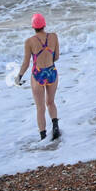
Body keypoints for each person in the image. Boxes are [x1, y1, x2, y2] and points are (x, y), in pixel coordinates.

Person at [15, 12, 61, 140]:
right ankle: (55, 126)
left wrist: (19, 76)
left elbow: (26, 63)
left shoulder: (29, 42)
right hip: (52, 72)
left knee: (40, 108)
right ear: (44, 25)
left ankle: (43, 137)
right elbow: (56, 57)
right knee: (51, 102)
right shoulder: (54, 37)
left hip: (38, 75)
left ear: (33, 27)